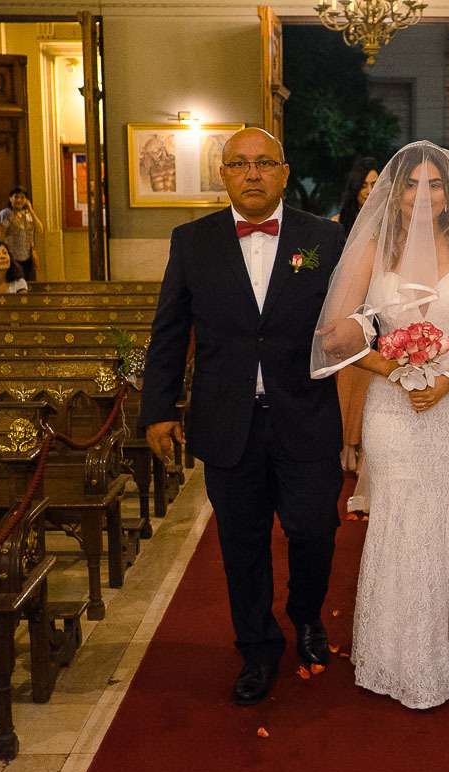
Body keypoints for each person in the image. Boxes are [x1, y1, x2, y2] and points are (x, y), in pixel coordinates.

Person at [139, 128, 347, 707]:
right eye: (239, 164)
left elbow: (359, 316)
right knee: (242, 542)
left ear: (284, 172)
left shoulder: (326, 238)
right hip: (227, 420)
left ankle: (306, 616)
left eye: (263, 163)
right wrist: (158, 410)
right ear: (223, 175)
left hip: (305, 414)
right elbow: (169, 331)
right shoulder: (192, 241)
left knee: (314, 529)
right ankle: (257, 647)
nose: (252, 174)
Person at [311, 141, 449, 709]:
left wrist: (447, 382)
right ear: (394, 194)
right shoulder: (372, 250)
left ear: (448, 196)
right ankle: (394, 654)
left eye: (433, 186)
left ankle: (448, 648)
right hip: (393, 408)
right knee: (399, 520)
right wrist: (390, 367)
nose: (422, 196)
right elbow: (333, 333)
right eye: (411, 185)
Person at [332, 157, 382, 475]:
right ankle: (346, 446)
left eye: (375, 184)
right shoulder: (339, 223)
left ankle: (370, 445)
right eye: (363, 185)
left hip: (382, 304)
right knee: (350, 376)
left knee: (373, 379)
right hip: (350, 307)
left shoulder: (391, 222)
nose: (368, 190)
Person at [0, 187, 44, 281]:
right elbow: (1, 237)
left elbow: (39, 230)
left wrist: (30, 210)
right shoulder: (6, 214)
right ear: (10, 198)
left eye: (22, 197)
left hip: (27, 257)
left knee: (27, 284)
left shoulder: (27, 214)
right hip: (12, 257)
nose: (19, 200)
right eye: (16, 197)